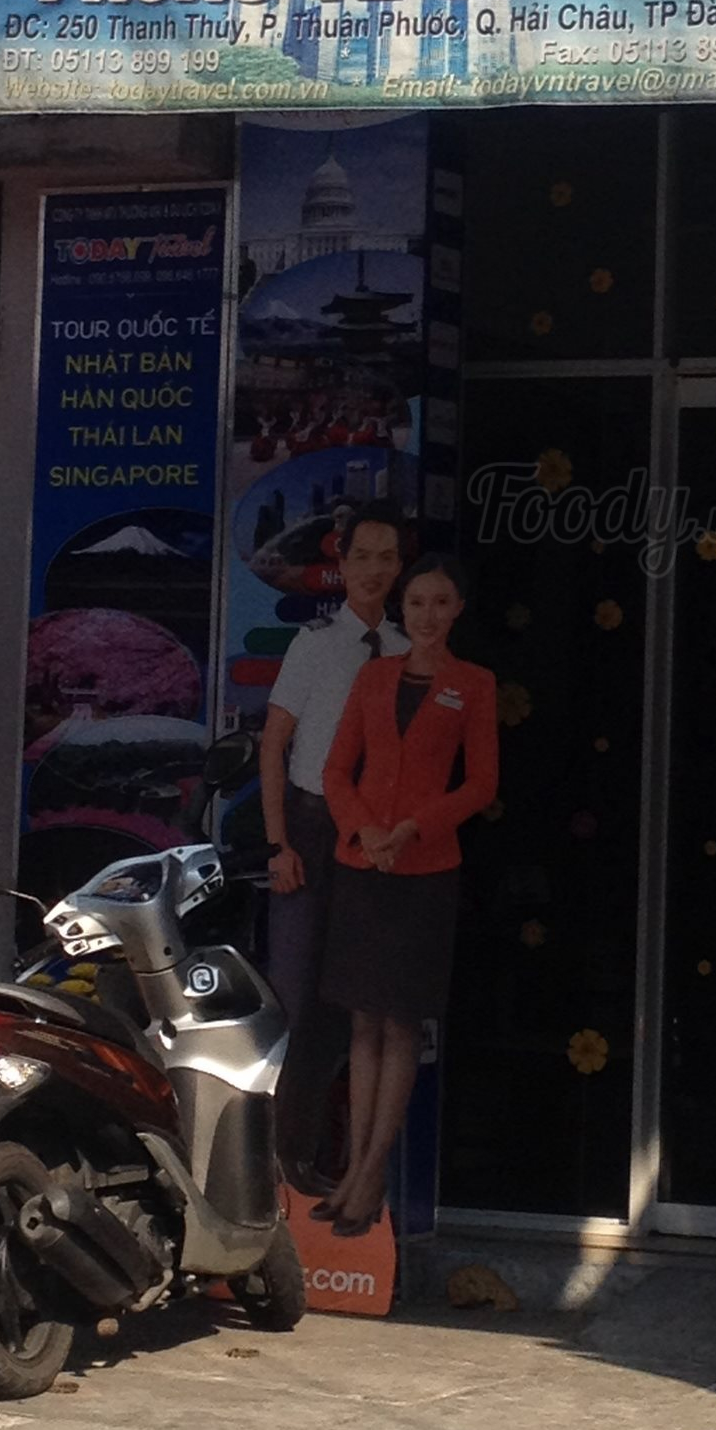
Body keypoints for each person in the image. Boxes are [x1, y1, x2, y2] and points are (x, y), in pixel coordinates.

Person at [319, 554, 497, 1235]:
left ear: (458, 610)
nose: (427, 615)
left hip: (424, 869)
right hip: (363, 862)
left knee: (400, 1023)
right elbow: (337, 769)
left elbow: (480, 784)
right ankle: (351, 1168)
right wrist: (365, 830)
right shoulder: (374, 676)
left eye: (440, 602)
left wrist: (413, 829)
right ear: (403, 608)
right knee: (362, 1021)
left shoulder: (473, 684)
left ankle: (371, 1174)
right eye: (417, 602)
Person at [259, 501, 408, 1191]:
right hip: (310, 825)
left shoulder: (407, 650)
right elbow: (274, 745)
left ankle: (316, 1157)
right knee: (292, 999)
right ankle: (268, 1161)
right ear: (341, 565)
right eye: (362, 557)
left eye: (387, 558)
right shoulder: (314, 644)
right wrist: (278, 844)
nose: (374, 570)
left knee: (351, 1004)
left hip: (375, 836)